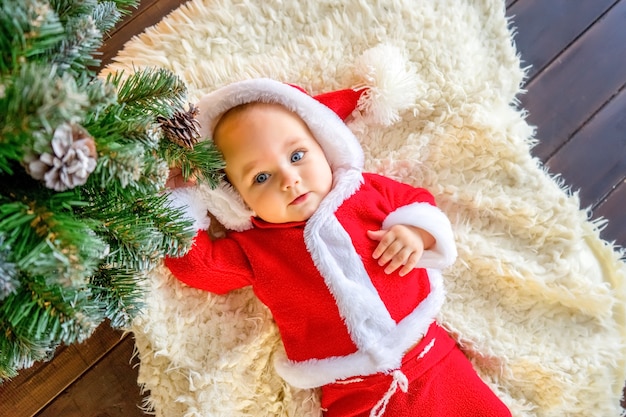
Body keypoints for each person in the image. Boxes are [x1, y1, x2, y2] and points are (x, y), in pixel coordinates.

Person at [165, 78, 512, 417]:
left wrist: (415, 234)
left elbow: (419, 202)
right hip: (354, 391)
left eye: (297, 155)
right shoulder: (256, 250)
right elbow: (202, 268)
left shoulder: (363, 192)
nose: (289, 179)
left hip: (432, 357)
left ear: (324, 146)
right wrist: (179, 201)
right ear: (236, 197)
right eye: (261, 177)